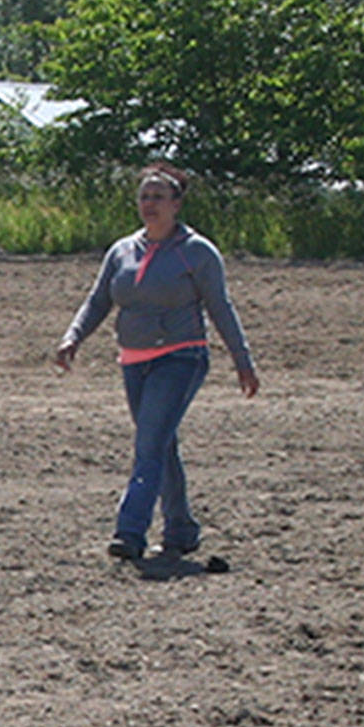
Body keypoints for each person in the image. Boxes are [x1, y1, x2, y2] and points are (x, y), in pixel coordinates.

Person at [54, 162, 259, 561]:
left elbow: (221, 308)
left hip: (181, 357)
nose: (150, 204)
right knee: (160, 445)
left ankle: (130, 532)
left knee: (148, 445)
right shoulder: (123, 250)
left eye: (158, 197)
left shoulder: (197, 253)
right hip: (133, 361)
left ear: (177, 204)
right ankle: (181, 528)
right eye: (144, 197)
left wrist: (242, 360)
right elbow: (99, 301)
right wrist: (73, 336)